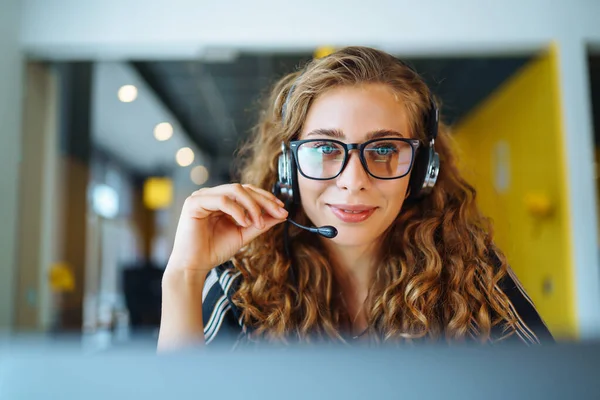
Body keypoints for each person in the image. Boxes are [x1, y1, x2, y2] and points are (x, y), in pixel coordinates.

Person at [158, 46, 552, 351]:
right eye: (325, 147)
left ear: (422, 170)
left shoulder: (474, 279)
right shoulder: (239, 288)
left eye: (383, 150)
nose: (352, 181)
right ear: (288, 168)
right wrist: (183, 277)